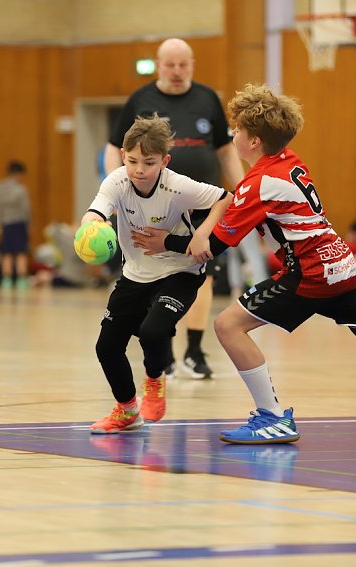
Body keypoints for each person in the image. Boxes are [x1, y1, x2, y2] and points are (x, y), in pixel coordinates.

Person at [133, 84, 356, 444]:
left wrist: (166, 241)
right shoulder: (289, 162)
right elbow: (241, 209)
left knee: (228, 325)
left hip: (309, 274)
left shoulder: (257, 184)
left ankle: (272, 418)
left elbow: (210, 248)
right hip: (340, 265)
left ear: (254, 141)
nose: (233, 135)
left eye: (238, 130)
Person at [104, 37, 244, 380]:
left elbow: (225, 149)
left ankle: (194, 352)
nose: (177, 71)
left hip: (203, 205)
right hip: (151, 205)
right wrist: (116, 192)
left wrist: (243, 189)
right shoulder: (141, 99)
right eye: (170, 65)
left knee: (202, 271)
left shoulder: (207, 98)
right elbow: (114, 147)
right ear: (159, 65)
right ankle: (161, 351)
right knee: (154, 274)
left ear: (192, 65)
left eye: (183, 65)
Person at [85, 114, 231, 434]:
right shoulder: (117, 181)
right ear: (122, 155)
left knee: (153, 332)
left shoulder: (178, 186)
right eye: (132, 161)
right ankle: (127, 411)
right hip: (136, 273)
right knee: (106, 348)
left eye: (149, 163)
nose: (139, 169)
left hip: (181, 271)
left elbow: (225, 198)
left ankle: (154, 380)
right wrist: (91, 226)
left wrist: (202, 233)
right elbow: (97, 208)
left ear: (165, 161)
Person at [0, 160, 31, 290]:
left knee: (6, 252)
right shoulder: (21, 189)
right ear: (19, 174)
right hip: (19, 222)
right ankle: (21, 280)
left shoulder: (0, 187)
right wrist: (28, 224)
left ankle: (6, 280)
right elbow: (25, 209)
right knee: (21, 252)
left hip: (5, 223)